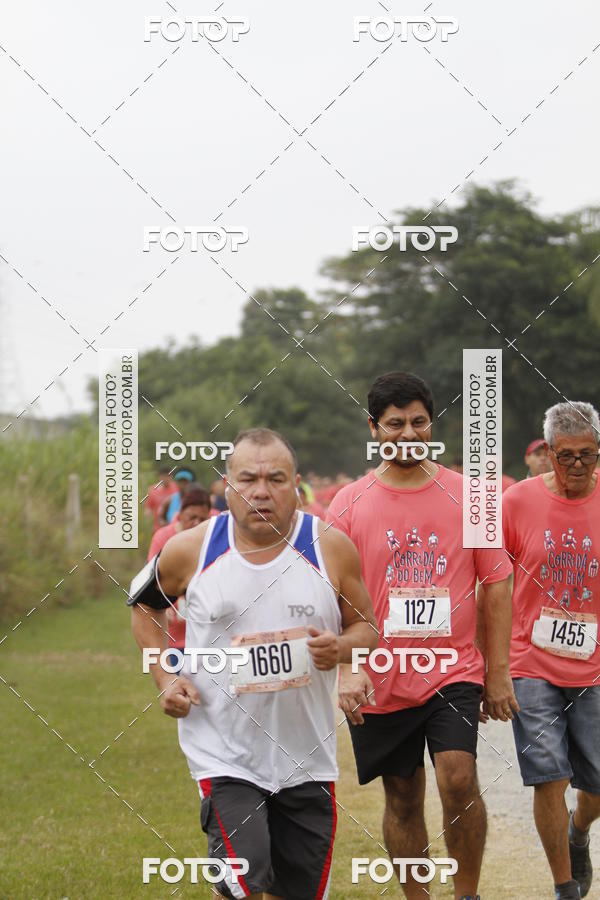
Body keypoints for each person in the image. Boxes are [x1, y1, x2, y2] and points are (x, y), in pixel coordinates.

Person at [130, 427, 378, 899]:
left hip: (307, 757)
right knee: (245, 884)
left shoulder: (330, 547)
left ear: (297, 483)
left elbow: (366, 628)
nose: (261, 490)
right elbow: (143, 605)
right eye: (248, 479)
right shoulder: (191, 549)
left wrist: (343, 652)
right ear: (227, 486)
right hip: (224, 753)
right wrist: (165, 676)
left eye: (276, 479)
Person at [326, 371, 516, 900]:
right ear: (373, 428)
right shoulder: (348, 502)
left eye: (417, 423)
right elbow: (332, 592)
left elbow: (497, 583)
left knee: (458, 778)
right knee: (403, 796)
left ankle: (467, 894)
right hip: (383, 675)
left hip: (451, 670)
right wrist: (349, 666)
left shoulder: (470, 497)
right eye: (394, 424)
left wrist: (497, 674)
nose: (407, 434)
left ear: (431, 424)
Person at [503, 402, 600, 900]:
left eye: (588, 454)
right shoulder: (516, 502)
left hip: (595, 667)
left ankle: (579, 830)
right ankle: (564, 887)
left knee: (596, 784)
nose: (577, 466)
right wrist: (492, 668)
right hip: (530, 661)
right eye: (566, 456)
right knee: (550, 778)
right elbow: (491, 586)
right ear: (548, 455)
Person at [147, 485, 212, 667]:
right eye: (192, 517)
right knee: (178, 687)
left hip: (206, 634)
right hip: (174, 636)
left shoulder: (211, 538)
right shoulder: (163, 537)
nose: (196, 523)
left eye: (202, 518)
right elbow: (153, 580)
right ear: (180, 514)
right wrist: (163, 605)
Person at [144, 465, 177, 531]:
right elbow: (148, 508)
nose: (165, 478)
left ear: (171, 477)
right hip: (158, 528)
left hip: (174, 528)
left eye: (168, 476)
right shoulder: (153, 490)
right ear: (159, 477)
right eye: (163, 476)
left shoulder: (177, 488)